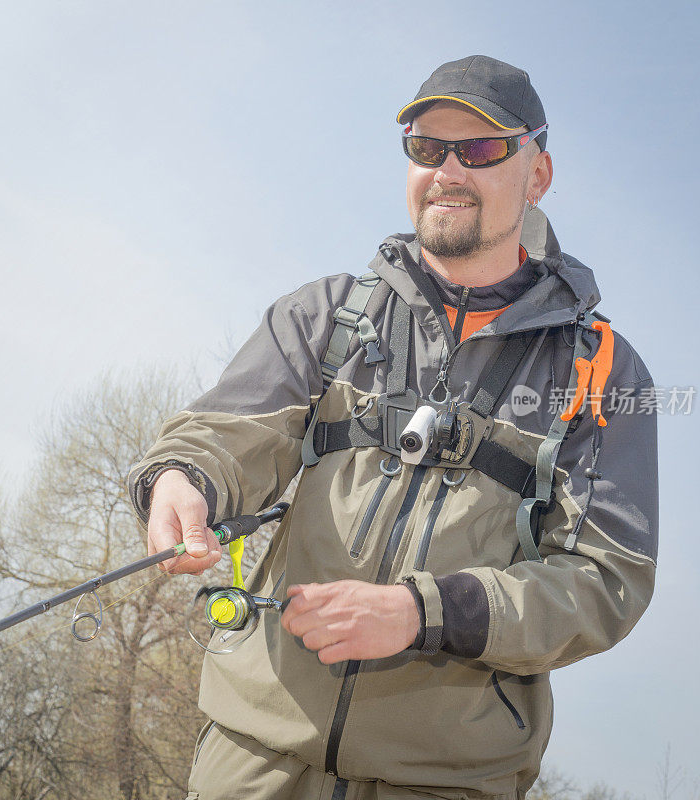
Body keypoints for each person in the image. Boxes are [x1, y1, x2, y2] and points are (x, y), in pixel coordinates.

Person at [128, 55, 658, 800]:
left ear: (537, 174)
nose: (447, 169)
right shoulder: (321, 314)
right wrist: (183, 478)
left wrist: (423, 612)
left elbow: (606, 580)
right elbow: (225, 433)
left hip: (446, 780)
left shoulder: (602, 371)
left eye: (479, 150)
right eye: (426, 147)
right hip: (251, 757)